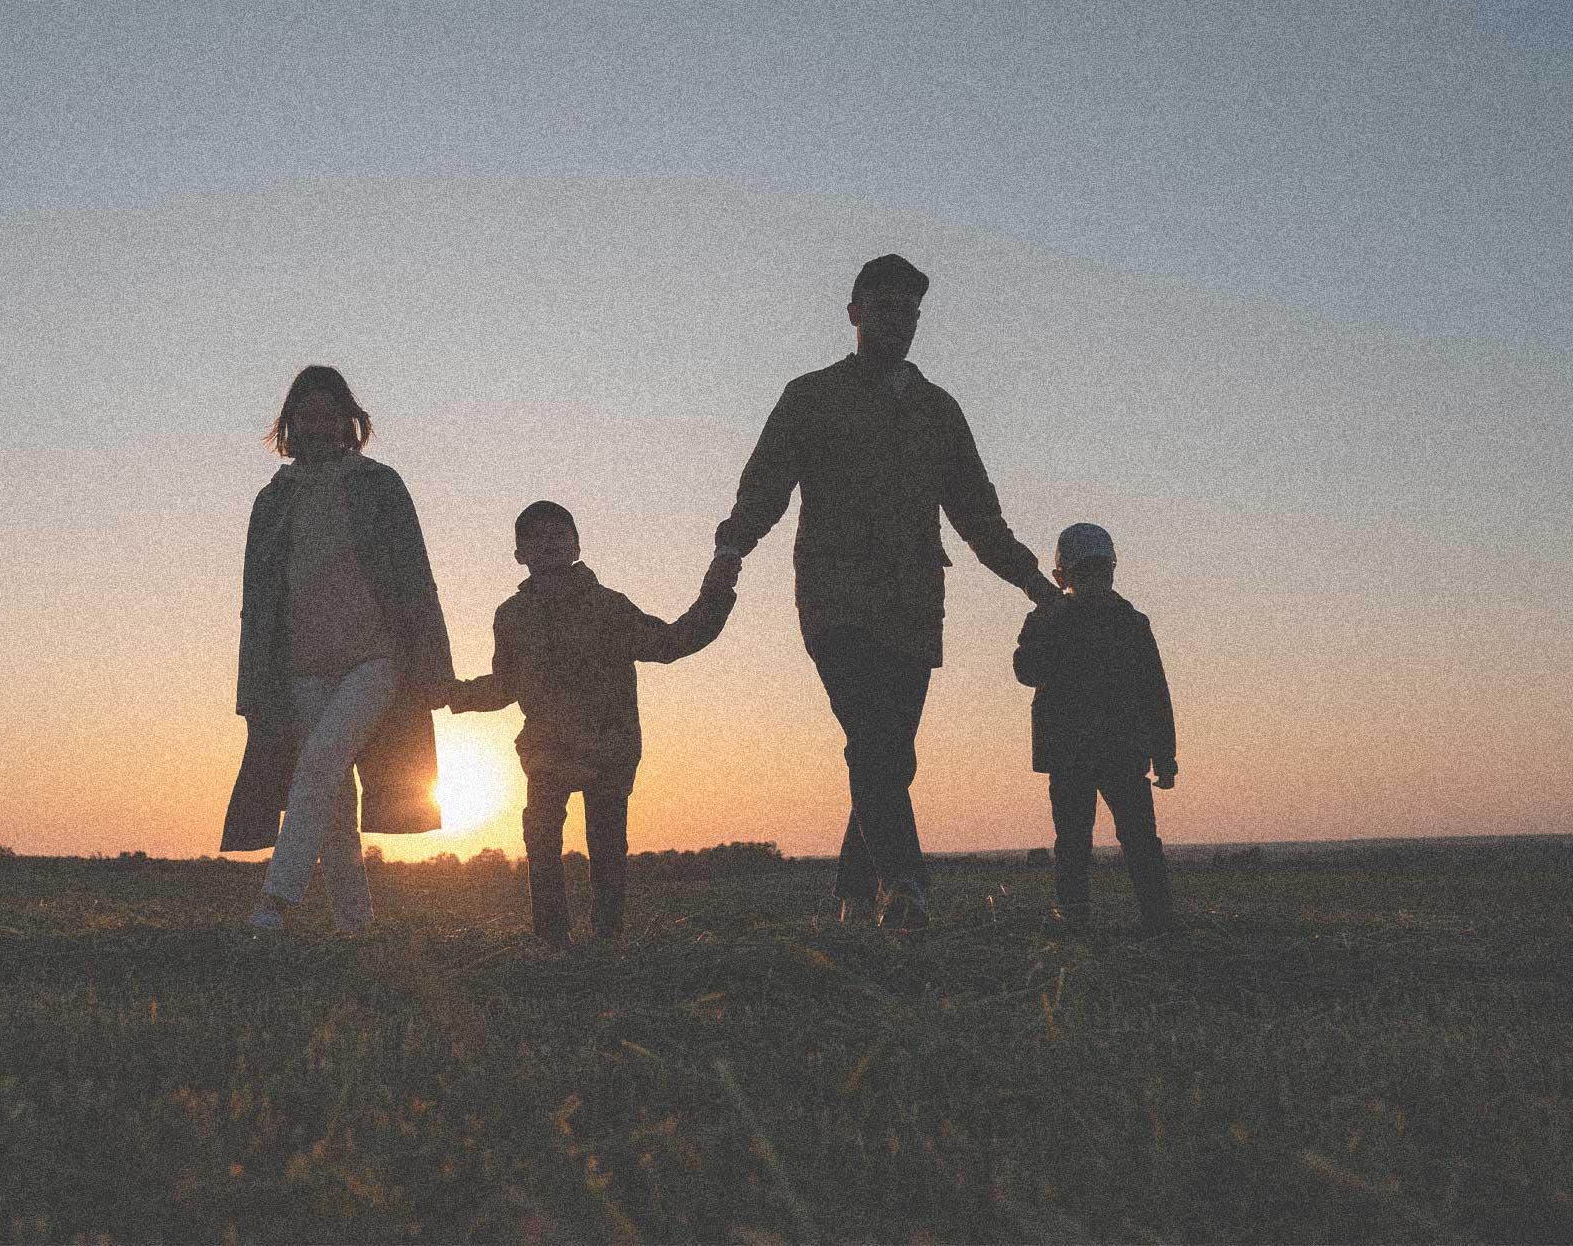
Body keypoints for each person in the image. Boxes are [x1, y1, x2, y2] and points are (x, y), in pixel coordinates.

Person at [710, 254, 1057, 928]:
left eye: (908, 311)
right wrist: (732, 546)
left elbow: (978, 515)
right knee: (872, 735)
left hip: (914, 606)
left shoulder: (939, 411)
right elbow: (765, 484)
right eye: (883, 306)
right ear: (854, 313)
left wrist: (1033, 581)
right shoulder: (810, 396)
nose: (897, 320)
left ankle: (853, 895)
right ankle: (905, 884)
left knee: (889, 753)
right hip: (835, 598)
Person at [220, 365, 456, 934]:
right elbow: (257, 598)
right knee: (332, 802)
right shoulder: (272, 500)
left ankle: (274, 904)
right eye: (307, 416)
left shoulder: (380, 484)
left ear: (348, 421)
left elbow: (414, 577)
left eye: (330, 415)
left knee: (318, 763)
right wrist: (253, 683)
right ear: (291, 424)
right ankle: (356, 926)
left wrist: (433, 668)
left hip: (375, 660)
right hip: (301, 669)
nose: (319, 426)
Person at [449, 500, 735, 946]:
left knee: (606, 846)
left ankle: (607, 939)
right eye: (535, 539)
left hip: (609, 746)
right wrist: (452, 693)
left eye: (558, 535)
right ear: (519, 555)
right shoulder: (511, 616)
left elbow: (673, 641)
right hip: (545, 749)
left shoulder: (609, 608)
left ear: (576, 544)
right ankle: (551, 941)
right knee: (541, 839)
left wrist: (718, 589)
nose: (548, 544)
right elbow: (505, 686)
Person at [1012, 521, 1179, 933]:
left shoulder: (1127, 623)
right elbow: (1028, 670)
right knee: (1097, 842)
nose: (1095, 580)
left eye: (1099, 572)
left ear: (1058, 575)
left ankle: (1106, 924)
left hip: (1090, 752)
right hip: (1100, 752)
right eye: (1090, 572)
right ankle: (1116, 924)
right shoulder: (1125, 623)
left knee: (1109, 842)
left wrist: (1165, 755)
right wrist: (1164, 755)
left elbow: (1154, 691)